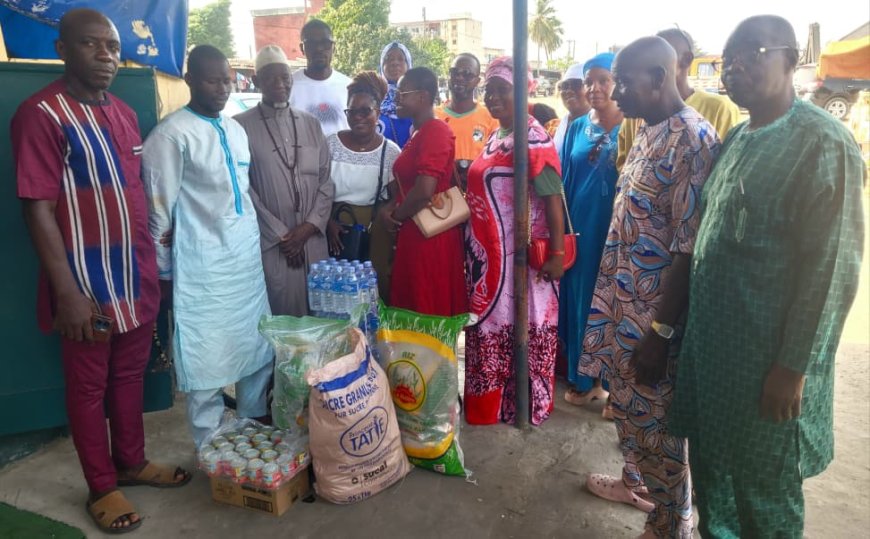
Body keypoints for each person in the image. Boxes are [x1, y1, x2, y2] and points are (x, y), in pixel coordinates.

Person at [669, 16, 865, 538]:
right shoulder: (737, 137)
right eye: (729, 57)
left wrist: (793, 367)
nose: (736, 66)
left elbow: (832, 268)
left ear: (791, 60)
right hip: (714, 362)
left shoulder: (822, 142)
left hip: (767, 367)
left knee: (765, 496)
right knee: (715, 486)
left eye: (753, 52)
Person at [10, 8, 190, 533]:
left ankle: (131, 462)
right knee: (88, 386)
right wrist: (66, 292)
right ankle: (101, 486)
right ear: (63, 48)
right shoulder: (41, 114)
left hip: (134, 276)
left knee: (130, 375)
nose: (107, 56)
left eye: (113, 47)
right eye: (92, 45)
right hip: (86, 284)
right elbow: (36, 207)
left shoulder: (125, 113)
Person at [578, 36, 720, 538]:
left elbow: (687, 247)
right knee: (634, 423)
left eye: (624, 80)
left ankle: (669, 523)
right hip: (621, 309)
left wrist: (659, 333)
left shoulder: (694, 141)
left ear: (659, 78)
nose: (616, 93)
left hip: (651, 323)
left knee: (659, 434)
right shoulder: (649, 131)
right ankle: (641, 491)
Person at [142, 45, 273, 448]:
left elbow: (244, 194)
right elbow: (158, 210)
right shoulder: (170, 134)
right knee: (206, 354)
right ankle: (209, 444)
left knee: (255, 346)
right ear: (190, 81)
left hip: (245, 262)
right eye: (213, 80)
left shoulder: (235, 130)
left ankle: (253, 428)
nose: (222, 88)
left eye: (228, 80)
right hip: (202, 267)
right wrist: (163, 273)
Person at [464, 56, 565, 426]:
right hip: (491, 265)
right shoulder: (498, 133)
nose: (492, 97)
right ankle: (487, 408)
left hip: (520, 265)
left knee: (518, 331)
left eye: (501, 90)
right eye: (488, 90)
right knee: (490, 329)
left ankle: (518, 407)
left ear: (522, 92)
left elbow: (553, 198)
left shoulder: (533, 136)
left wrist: (556, 253)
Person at [235, 45, 334, 316]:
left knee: (322, 316)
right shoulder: (240, 126)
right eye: (271, 78)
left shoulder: (311, 124)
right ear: (256, 82)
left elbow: (326, 182)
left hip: (313, 241)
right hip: (275, 246)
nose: (280, 84)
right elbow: (244, 189)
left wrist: (309, 227)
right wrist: (283, 236)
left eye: (285, 78)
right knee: (284, 320)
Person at [559, 52, 623, 408]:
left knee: (616, 303)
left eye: (603, 80)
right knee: (583, 299)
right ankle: (586, 380)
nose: (594, 88)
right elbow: (566, 181)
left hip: (617, 231)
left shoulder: (633, 123)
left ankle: (616, 389)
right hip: (581, 227)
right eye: (589, 81)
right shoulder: (577, 126)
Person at [379, 67, 467, 316]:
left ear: (423, 96)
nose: (397, 99)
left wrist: (395, 217)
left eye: (402, 93)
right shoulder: (418, 132)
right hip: (414, 230)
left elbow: (423, 191)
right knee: (414, 308)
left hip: (430, 235)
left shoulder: (436, 131)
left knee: (426, 309)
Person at [616, 28, 741, 171]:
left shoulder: (719, 108)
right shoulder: (637, 111)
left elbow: (722, 170)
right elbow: (625, 167)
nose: (653, 64)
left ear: (686, 60)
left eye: (666, 54)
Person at [325, 71, 401, 300]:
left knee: (373, 291)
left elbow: (395, 199)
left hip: (373, 230)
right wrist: (326, 223)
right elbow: (317, 190)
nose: (358, 117)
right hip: (334, 228)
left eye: (365, 111)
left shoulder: (390, 152)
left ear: (377, 112)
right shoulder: (331, 144)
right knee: (336, 292)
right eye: (352, 111)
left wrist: (386, 212)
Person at [435, 53, 499, 187]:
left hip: (478, 194)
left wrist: (472, 168)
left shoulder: (491, 118)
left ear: (477, 81)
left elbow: (497, 162)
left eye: (467, 74)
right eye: (455, 72)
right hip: (443, 199)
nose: (459, 77)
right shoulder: (434, 117)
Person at [288, 19, 351, 137]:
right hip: (303, 155)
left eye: (325, 43)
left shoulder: (348, 86)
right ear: (302, 48)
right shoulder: (289, 86)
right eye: (311, 44)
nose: (319, 49)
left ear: (334, 47)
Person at [378, 42, 415, 148]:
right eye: (389, 59)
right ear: (381, 66)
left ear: (408, 64)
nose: (395, 63)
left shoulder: (418, 101)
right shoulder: (373, 100)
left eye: (400, 59)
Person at [553, 63, 591, 154]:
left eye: (576, 85)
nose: (569, 91)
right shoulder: (554, 126)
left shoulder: (600, 127)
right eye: (564, 86)